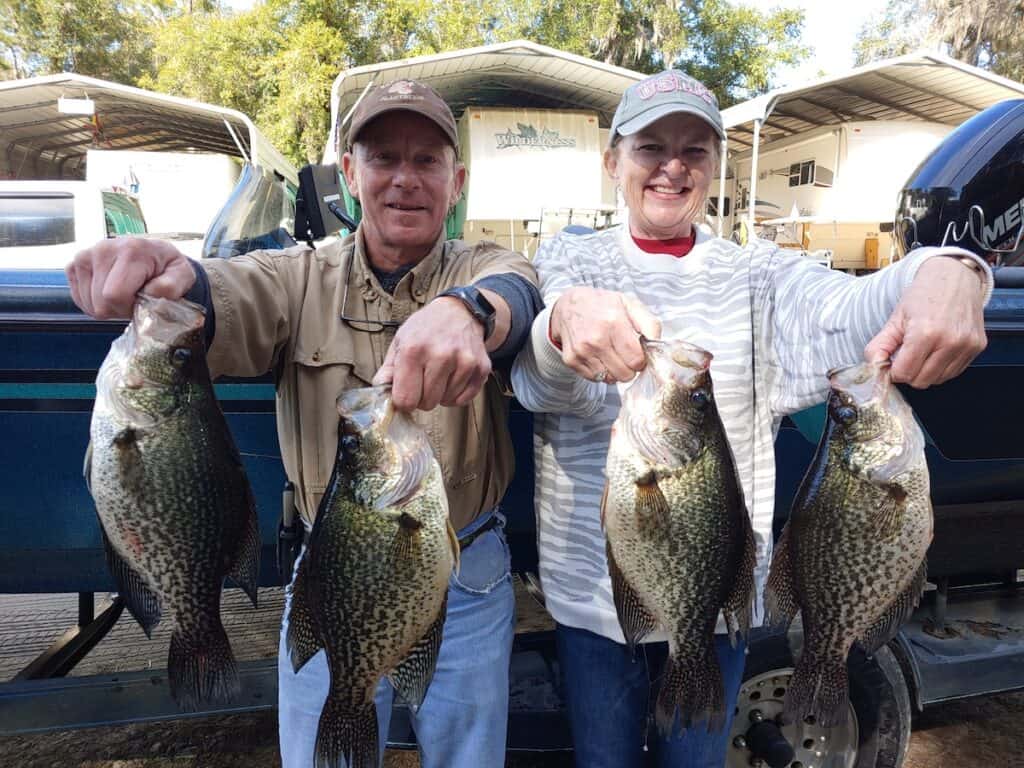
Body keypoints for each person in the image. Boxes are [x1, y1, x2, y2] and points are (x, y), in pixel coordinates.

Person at [511, 69, 992, 768]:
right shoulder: (568, 260)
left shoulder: (756, 275)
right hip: (593, 605)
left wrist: (947, 269)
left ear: (715, 168)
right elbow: (534, 379)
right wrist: (560, 325)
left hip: (717, 603)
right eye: (650, 146)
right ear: (612, 161)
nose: (673, 167)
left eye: (696, 150)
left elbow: (841, 307)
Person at [66, 80, 542, 768]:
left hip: (464, 570)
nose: (404, 180)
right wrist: (177, 278)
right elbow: (226, 290)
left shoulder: (484, 263)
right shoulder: (298, 275)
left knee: (469, 756)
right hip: (331, 565)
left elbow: (520, 290)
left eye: (427, 161)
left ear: (456, 180)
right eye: (382, 158)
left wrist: (471, 311)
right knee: (325, 754)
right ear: (349, 173)